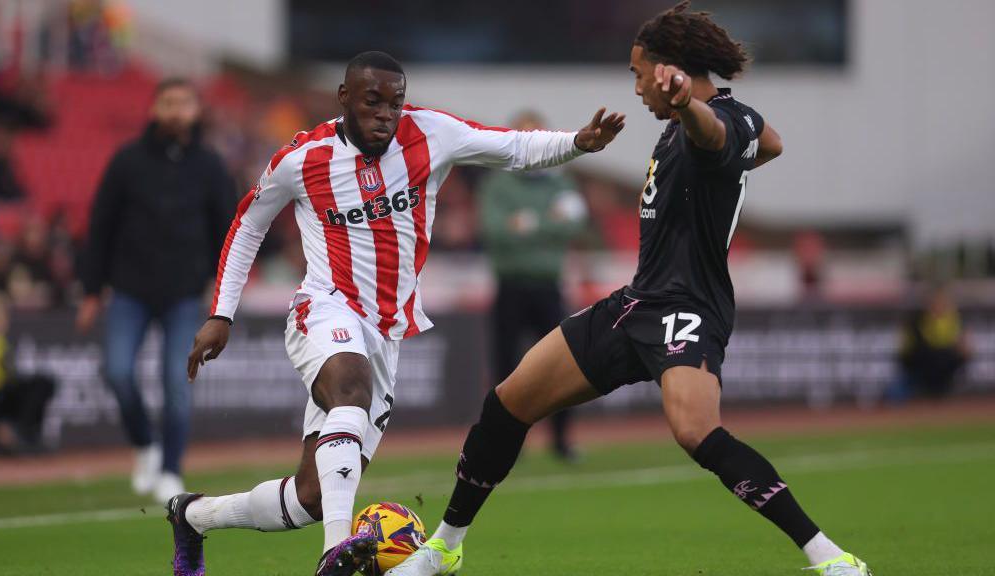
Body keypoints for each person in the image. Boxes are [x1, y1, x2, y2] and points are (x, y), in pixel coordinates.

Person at [388, 4, 872, 576]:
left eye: (639, 72)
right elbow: (772, 143)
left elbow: (716, 135)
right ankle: (444, 548)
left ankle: (831, 558)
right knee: (507, 403)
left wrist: (688, 105)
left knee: (695, 431)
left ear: (671, 70)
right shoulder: (703, 124)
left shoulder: (714, 119)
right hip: (636, 303)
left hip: (689, 306)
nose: (636, 85)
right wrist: (697, 120)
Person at [168, 51, 624, 576]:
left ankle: (194, 516)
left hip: (387, 332)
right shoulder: (302, 159)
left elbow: (513, 147)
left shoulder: (431, 134)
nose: (387, 113)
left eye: (395, 102)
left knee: (312, 497)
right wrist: (221, 312)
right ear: (345, 99)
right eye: (373, 101)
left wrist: (578, 143)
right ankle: (334, 555)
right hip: (324, 306)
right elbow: (248, 224)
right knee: (350, 392)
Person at [77, 78, 235, 503]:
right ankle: (145, 443)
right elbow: (100, 226)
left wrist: (225, 293)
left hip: (184, 295)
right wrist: (91, 290)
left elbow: (231, 231)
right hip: (129, 290)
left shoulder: (210, 166)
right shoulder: (126, 161)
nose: (176, 111)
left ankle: (170, 469)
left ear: (197, 111)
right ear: (154, 110)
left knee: (176, 384)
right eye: (168, 102)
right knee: (117, 372)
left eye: (185, 103)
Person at [477, 110, 587, 461]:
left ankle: (561, 440)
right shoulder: (498, 183)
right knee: (505, 369)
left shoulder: (560, 182)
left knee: (561, 367)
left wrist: (526, 224)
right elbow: (497, 231)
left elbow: (573, 225)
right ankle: (505, 443)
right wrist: (548, 223)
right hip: (510, 286)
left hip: (548, 285)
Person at [0, 289, 55, 455]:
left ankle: (25, 433)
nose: (5, 320)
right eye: (0, 315)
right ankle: (7, 435)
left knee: (41, 383)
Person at [894, 285, 970, 400]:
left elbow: (964, 345)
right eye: (935, 301)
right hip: (923, 362)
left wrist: (963, 347)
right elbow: (905, 348)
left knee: (947, 357)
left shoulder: (956, 319)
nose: (939, 305)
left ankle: (945, 391)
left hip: (945, 363)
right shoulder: (916, 320)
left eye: (942, 301)